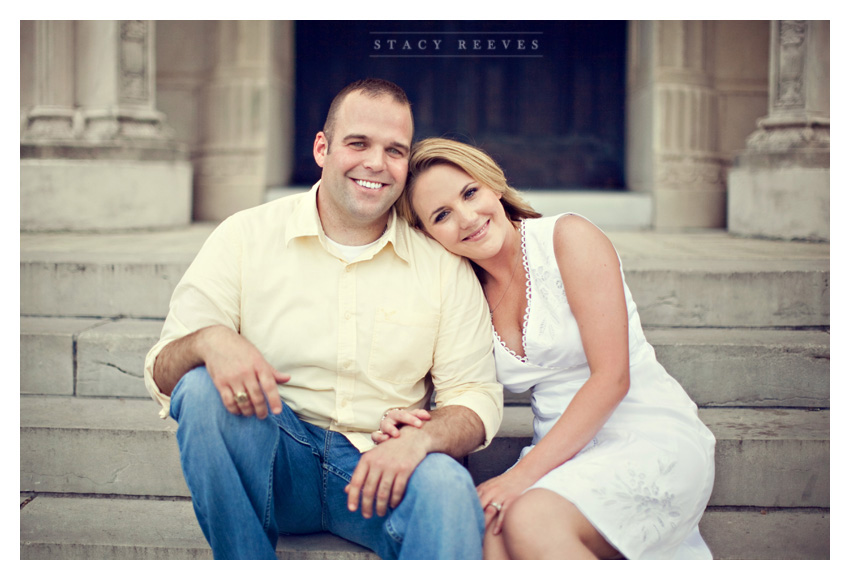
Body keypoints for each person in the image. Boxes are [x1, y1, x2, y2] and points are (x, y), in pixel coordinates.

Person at [143, 81, 503, 560]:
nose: (376, 163)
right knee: (200, 388)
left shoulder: (441, 264)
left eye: (394, 150)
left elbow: (475, 395)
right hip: (276, 458)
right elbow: (163, 371)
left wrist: (425, 436)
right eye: (358, 144)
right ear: (322, 148)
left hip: (380, 467)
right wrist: (208, 341)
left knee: (448, 484)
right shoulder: (246, 236)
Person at [378, 137, 716, 559]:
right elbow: (454, 386)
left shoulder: (568, 237)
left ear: (494, 185)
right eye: (442, 215)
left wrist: (520, 476)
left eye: (470, 193)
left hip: (643, 430)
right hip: (561, 448)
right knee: (491, 532)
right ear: (427, 235)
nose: (467, 218)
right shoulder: (464, 292)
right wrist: (400, 411)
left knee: (527, 518)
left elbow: (612, 378)